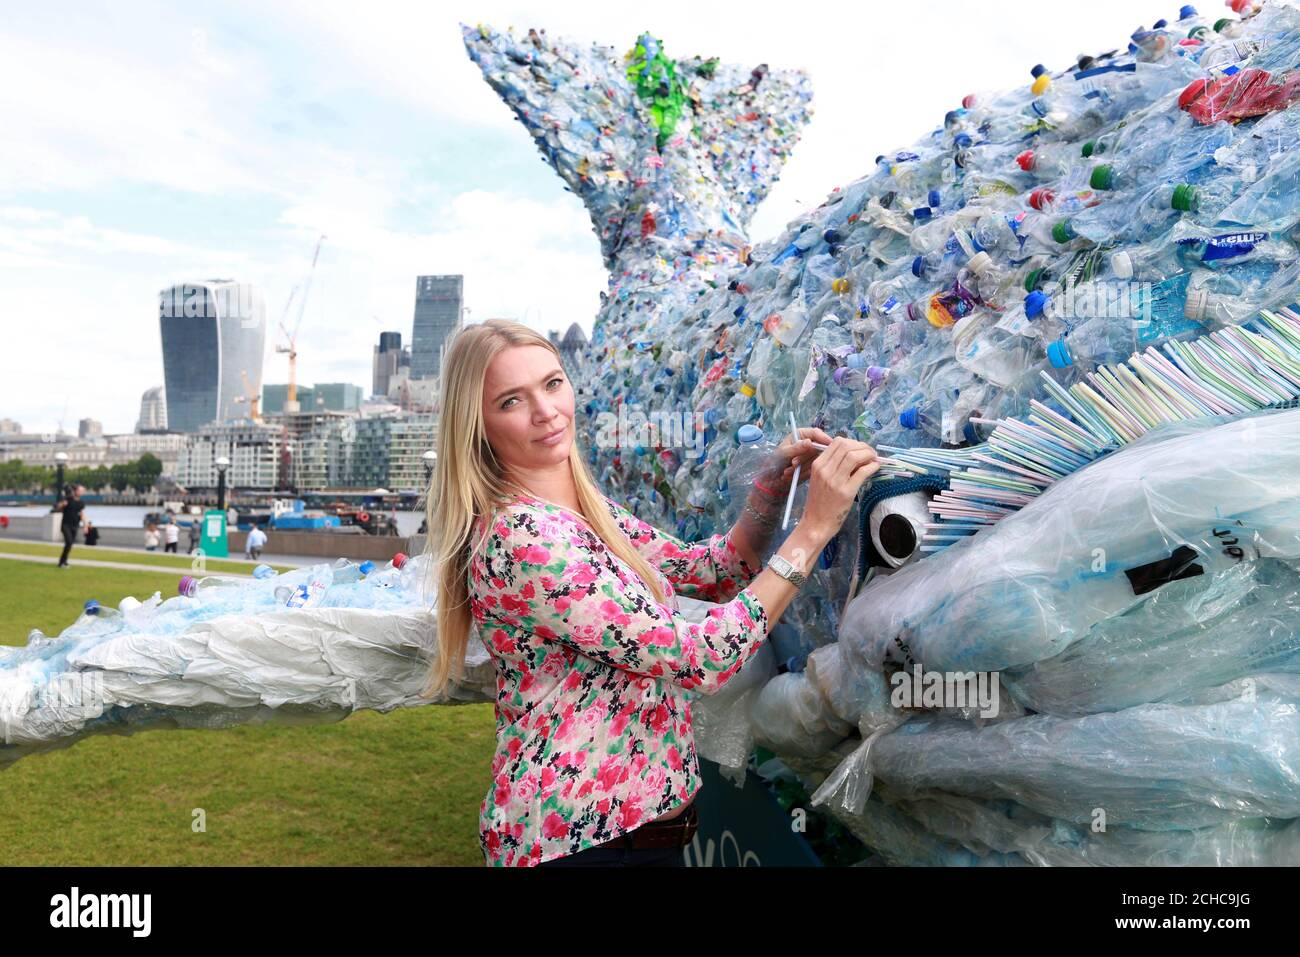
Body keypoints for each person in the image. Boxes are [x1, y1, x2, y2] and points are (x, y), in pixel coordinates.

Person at [421, 320, 879, 868]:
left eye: (552, 383)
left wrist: (770, 490)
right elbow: (703, 657)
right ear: (477, 425)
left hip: (634, 837)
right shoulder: (525, 538)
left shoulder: (584, 512)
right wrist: (813, 529)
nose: (545, 411)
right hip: (578, 843)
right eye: (511, 401)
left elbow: (713, 568)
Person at [52, 484, 86, 568]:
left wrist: (86, 525)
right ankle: (61, 563)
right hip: (66, 525)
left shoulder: (81, 503)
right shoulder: (68, 500)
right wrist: (62, 504)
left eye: (82, 491)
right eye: (80, 490)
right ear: (75, 491)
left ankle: (64, 561)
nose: (81, 492)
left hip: (75, 525)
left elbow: (82, 514)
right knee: (69, 542)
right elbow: (56, 507)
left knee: (70, 544)